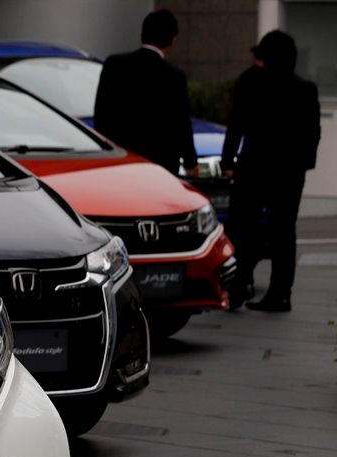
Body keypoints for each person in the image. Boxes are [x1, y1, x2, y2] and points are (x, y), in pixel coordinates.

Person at [221, 30, 321, 312]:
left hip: (254, 166)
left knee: (242, 228)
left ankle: (238, 287)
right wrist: (303, 164)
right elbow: (313, 133)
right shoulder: (305, 89)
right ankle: (280, 293)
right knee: (284, 232)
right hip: (289, 171)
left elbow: (236, 124)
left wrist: (229, 161)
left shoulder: (250, 82)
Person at [94, 9, 199, 177]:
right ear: (172, 40)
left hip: (121, 161)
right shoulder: (174, 76)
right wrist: (191, 162)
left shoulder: (114, 65)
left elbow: (101, 115)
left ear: (142, 34)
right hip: (160, 165)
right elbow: (181, 124)